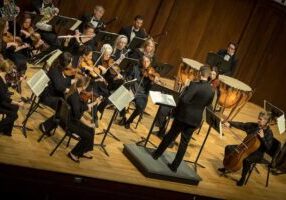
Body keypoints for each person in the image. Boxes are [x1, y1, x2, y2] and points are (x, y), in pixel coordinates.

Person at [152, 66, 214, 172]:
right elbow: (208, 104)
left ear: (199, 73)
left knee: (170, 135)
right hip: (195, 120)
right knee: (184, 143)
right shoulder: (211, 90)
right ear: (208, 76)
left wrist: (185, 88)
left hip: (183, 117)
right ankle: (174, 166)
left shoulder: (194, 85)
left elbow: (185, 99)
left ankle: (156, 154)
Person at [40, 76, 101, 162]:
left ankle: (84, 150)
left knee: (91, 131)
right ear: (84, 86)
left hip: (68, 119)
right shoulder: (75, 96)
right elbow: (77, 115)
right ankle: (74, 153)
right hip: (69, 123)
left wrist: (90, 105)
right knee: (88, 135)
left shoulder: (74, 92)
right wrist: (88, 123)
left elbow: (78, 107)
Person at [218, 111, 273, 186]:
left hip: (257, 153)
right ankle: (226, 166)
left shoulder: (269, 133)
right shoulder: (255, 126)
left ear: (267, 122)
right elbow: (242, 125)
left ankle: (243, 178)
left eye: (260, 119)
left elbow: (268, 148)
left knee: (247, 160)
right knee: (229, 148)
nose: (258, 121)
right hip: (245, 147)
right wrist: (229, 123)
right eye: (258, 119)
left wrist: (263, 138)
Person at [119, 55, 160, 129]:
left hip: (142, 94)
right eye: (144, 61)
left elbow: (150, 88)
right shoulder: (135, 68)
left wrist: (153, 82)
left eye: (147, 62)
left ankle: (129, 121)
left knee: (140, 107)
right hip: (132, 90)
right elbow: (129, 78)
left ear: (150, 63)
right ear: (141, 62)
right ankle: (123, 116)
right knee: (119, 100)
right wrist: (128, 81)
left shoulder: (151, 73)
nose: (145, 63)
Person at [0, 58, 23, 136]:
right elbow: (4, 97)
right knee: (14, 115)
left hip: (1, 100)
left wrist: (17, 81)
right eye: (12, 69)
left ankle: (7, 131)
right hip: (1, 101)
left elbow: (5, 86)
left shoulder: (3, 76)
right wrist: (18, 103)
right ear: (8, 70)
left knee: (15, 108)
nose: (13, 71)